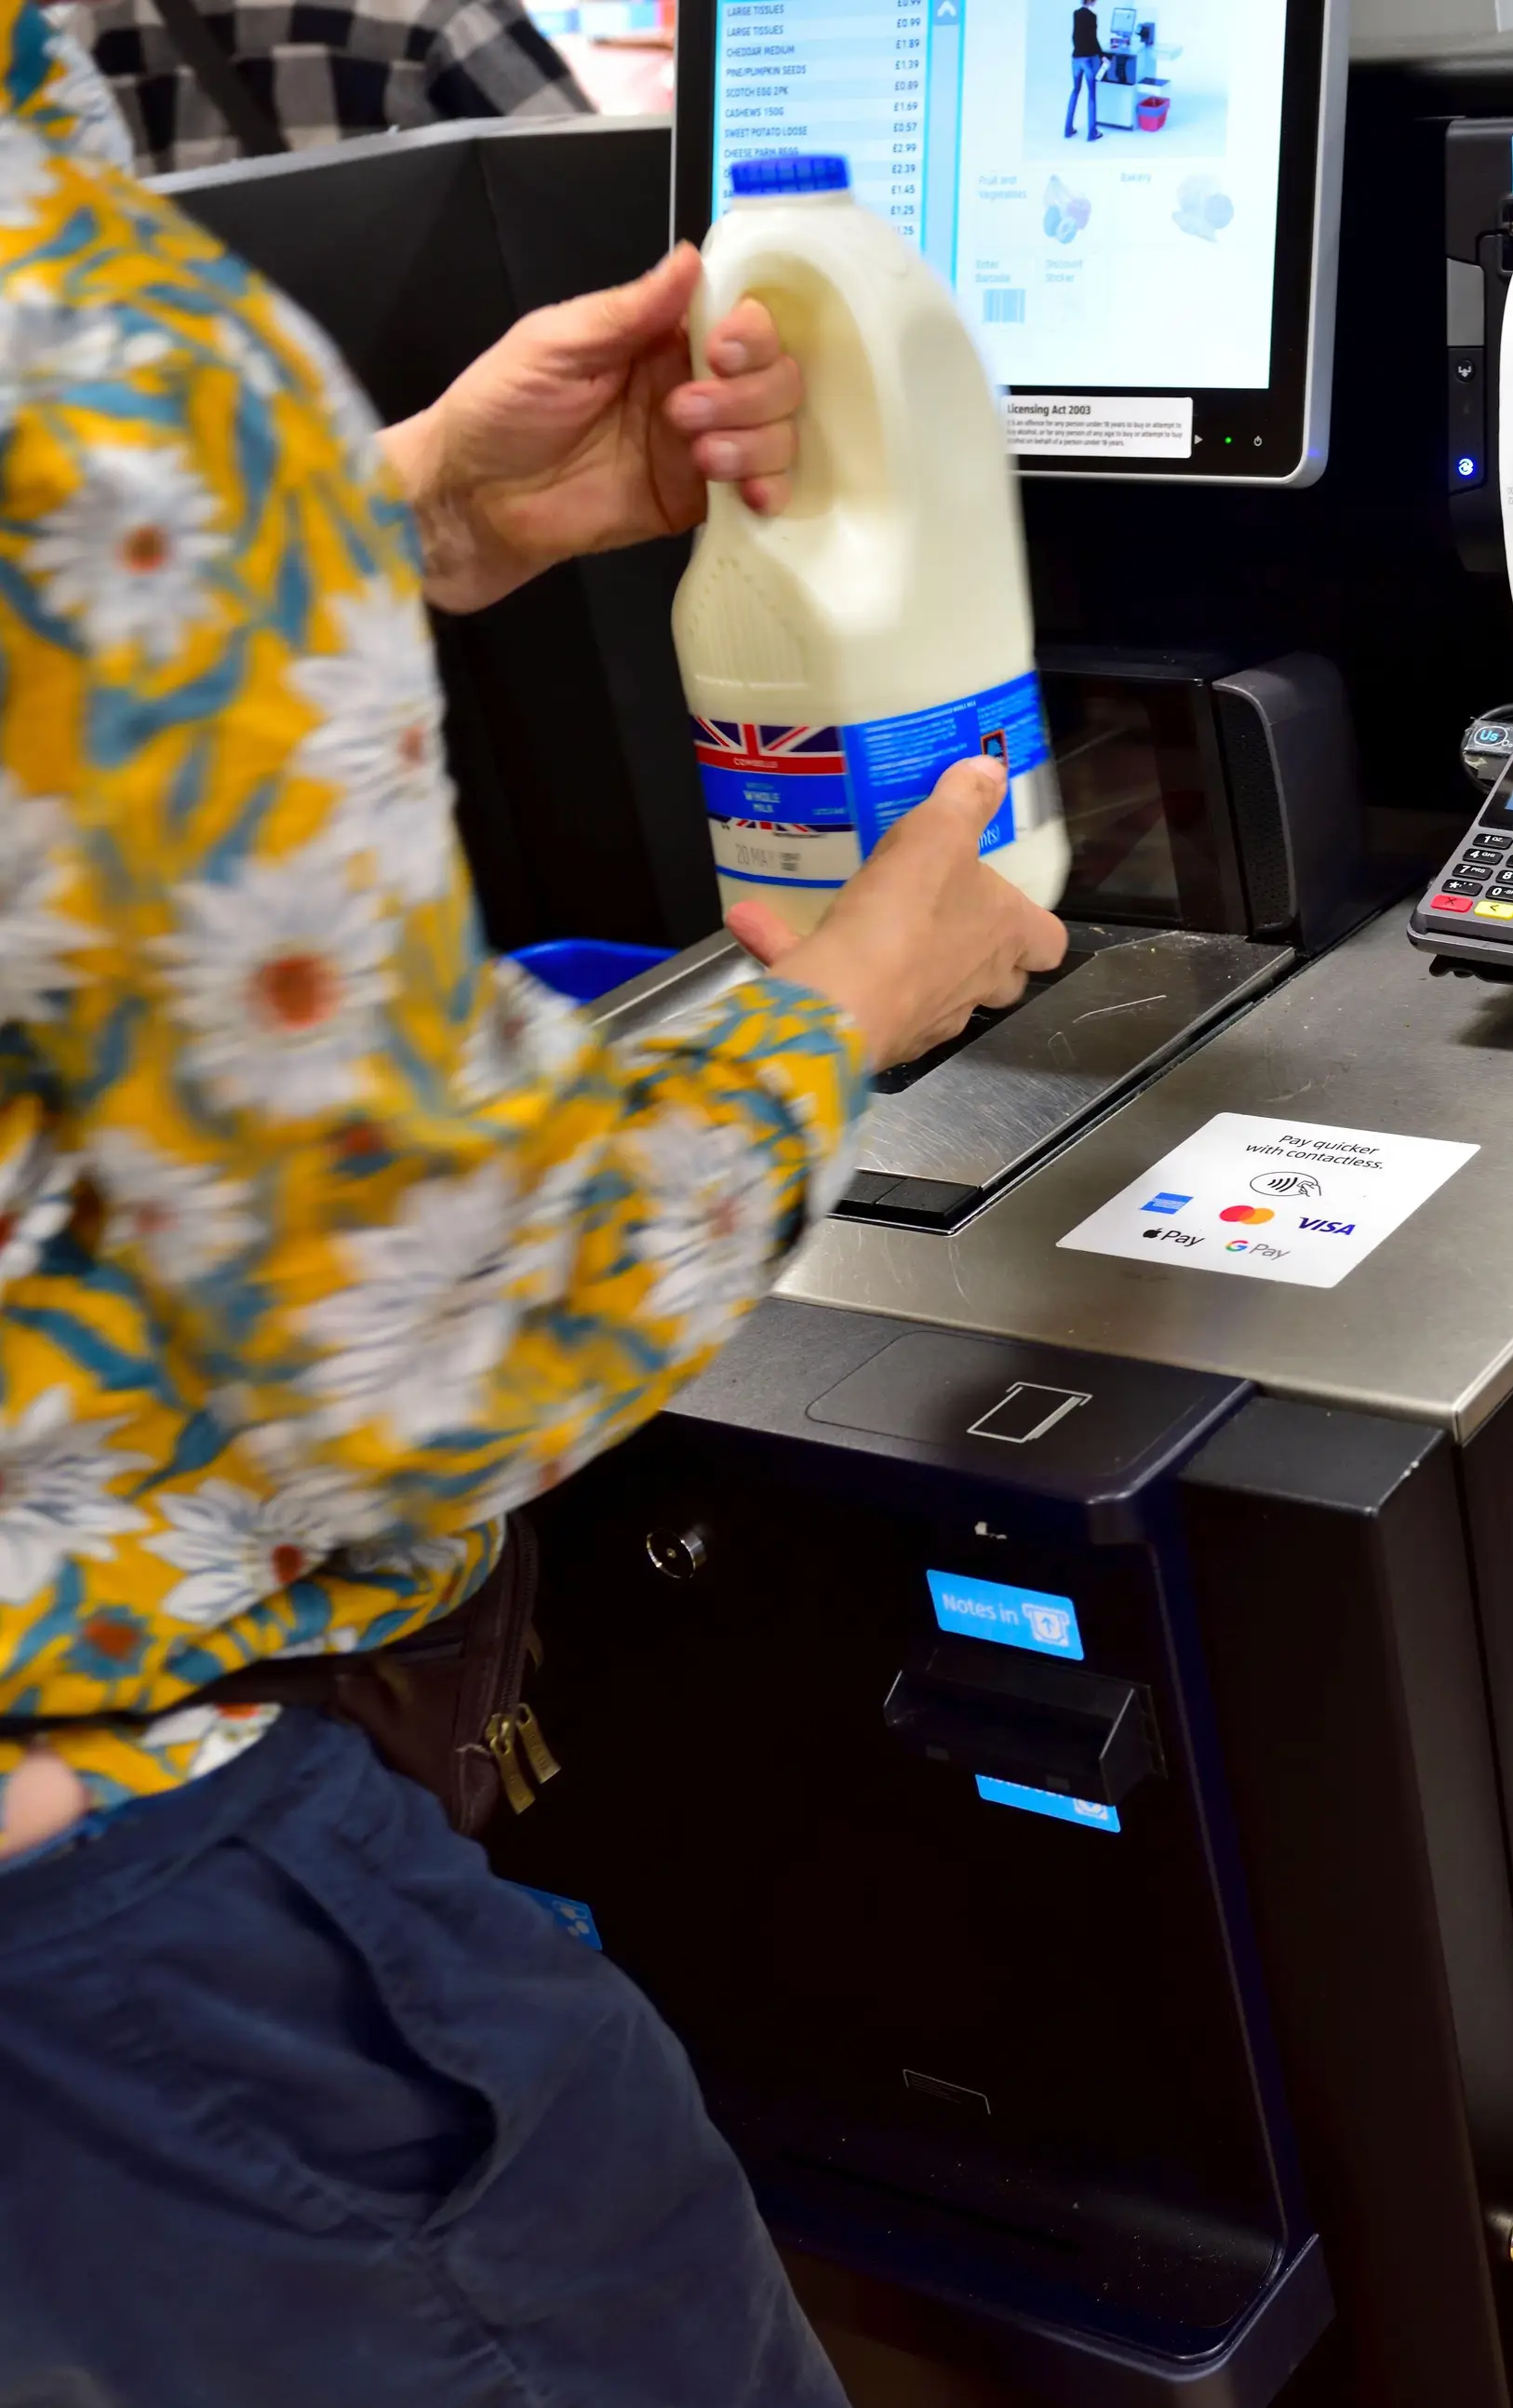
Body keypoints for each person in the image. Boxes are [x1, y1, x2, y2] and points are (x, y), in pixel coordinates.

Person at [0, 2, 1064, 2398]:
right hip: (139, 1955)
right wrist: (840, 1012)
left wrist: (406, 523)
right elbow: (411, 1354)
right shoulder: (95, 354)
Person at [62, 0, 592, 176]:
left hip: (176, 413)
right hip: (420, 405)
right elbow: (587, 192)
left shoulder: (72, 35)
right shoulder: (434, 10)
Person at [1064, 0, 1104, 142]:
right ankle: (1092, 133)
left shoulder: (1076, 14)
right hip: (1088, 60)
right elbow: (1093, 40)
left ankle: (1068, 130)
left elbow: (1075, 37)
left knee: (1075, 91)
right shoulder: (1092, 17)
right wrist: (1103, 56)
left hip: (1076, 59)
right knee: (1092, 95)